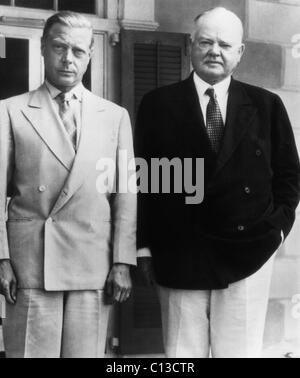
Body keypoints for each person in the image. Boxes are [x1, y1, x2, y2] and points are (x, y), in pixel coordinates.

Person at [135, 7, 300, 358]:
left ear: (240, 53)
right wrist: (145, 247)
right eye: (206, 41)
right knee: (183, 358)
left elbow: (289, 177)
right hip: (180, 254)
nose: (215, 51)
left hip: (249, 253)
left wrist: (278, 230)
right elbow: (145, 183)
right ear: (190, 46)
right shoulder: (157, 105)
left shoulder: (266, 105)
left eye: (225, 44)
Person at [0, 11, 136, 358]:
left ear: (91, 54)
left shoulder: (115, 116)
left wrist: (122, 261)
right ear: (44, 49)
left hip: (92, 262)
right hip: (31, 262)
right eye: (59, 47)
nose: (68, 59)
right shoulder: (11, 111)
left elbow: (125, 196)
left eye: (78, 51)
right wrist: (0, 258)